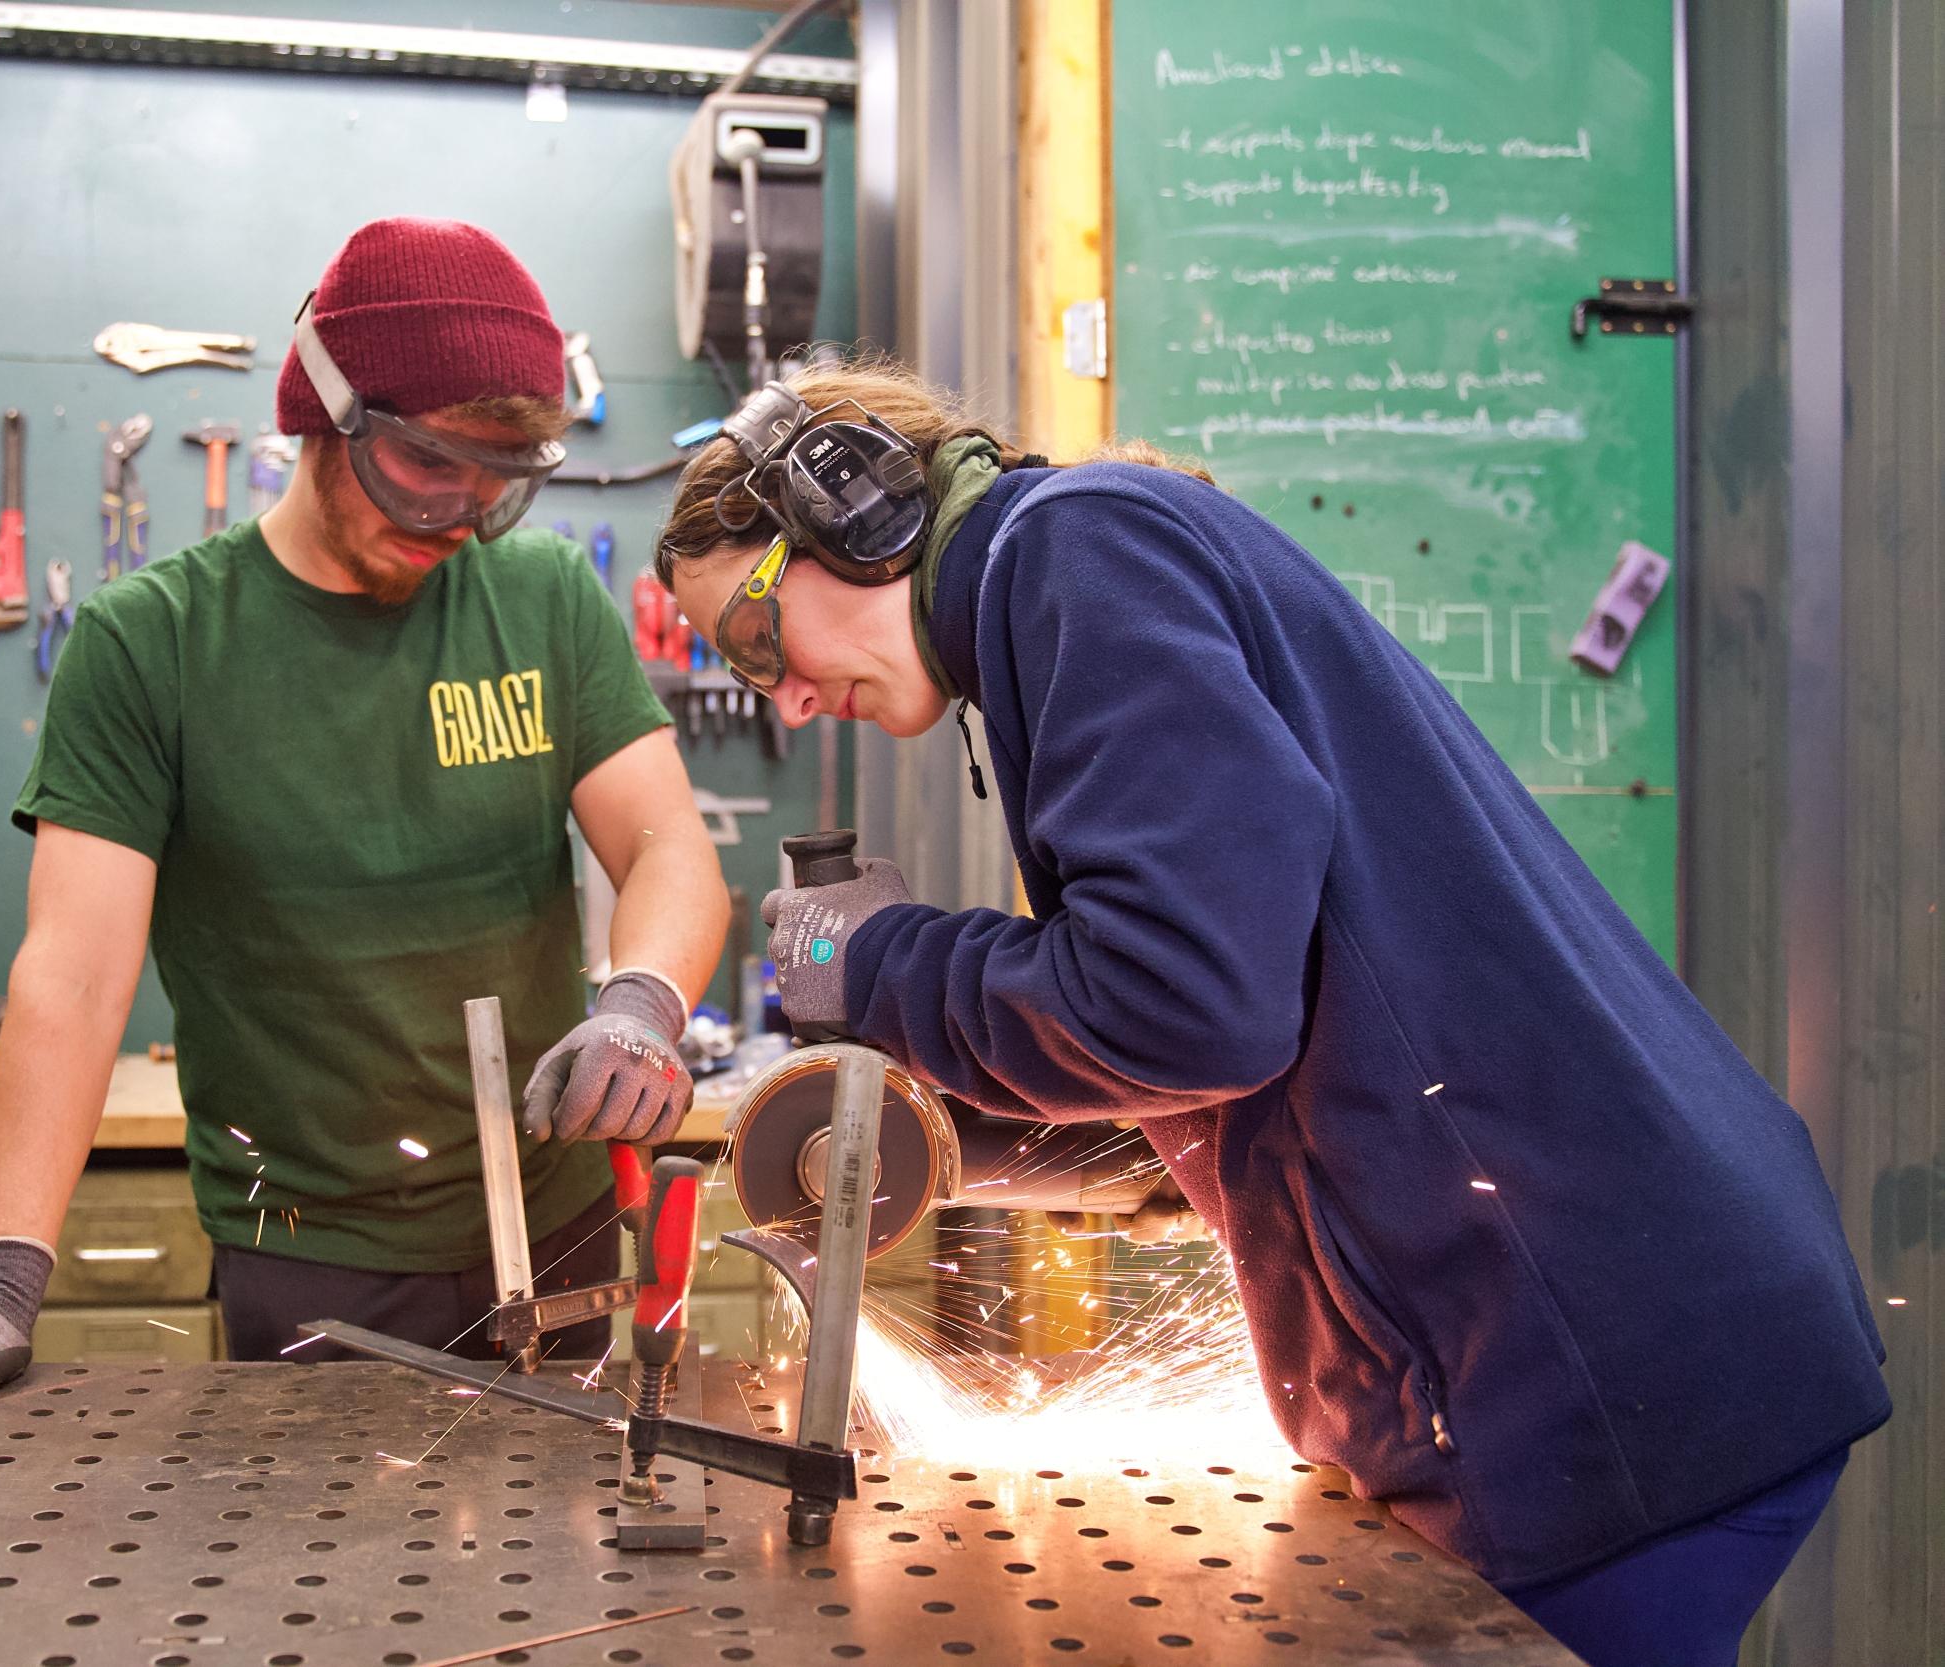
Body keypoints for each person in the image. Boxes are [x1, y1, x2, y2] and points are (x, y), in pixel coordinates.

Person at [653, 358, 1890, 1667]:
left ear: (854, 507)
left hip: (1611, 1375)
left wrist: (883, 960)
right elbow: (1249, 1040)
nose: (781, 697)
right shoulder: (1063, 581)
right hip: (1609, 1347)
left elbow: (1186, 1009)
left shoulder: (1077, 551)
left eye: (753, 636)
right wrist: (952, 1136)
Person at [0, 219, 726, 1418]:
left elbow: (666, 846)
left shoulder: (540, 598)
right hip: (308, 1247)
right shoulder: (150, 644)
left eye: (500, 483)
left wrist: (641, 1004)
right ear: (321, 413)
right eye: (429, 467)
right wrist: (5, 1279)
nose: (457, 518)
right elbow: (71, 975)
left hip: (564, 1216)